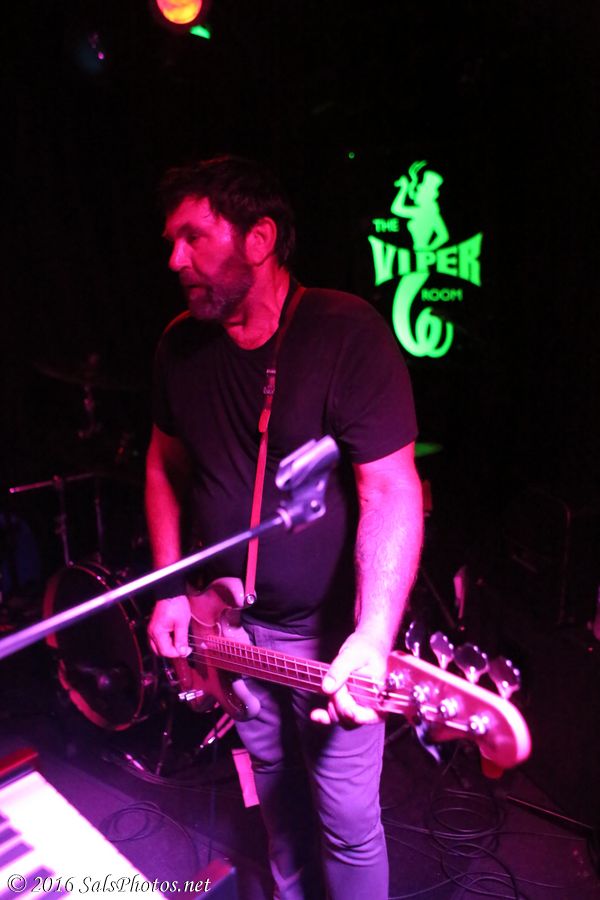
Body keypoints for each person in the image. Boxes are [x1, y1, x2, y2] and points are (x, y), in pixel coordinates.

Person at [146, 156, 423, 900]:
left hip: (325, 644)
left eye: (194, 238)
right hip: (230, 630)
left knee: (346, 823)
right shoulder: (178, 345)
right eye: (172, 242)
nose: (175, 260)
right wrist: (171, 589)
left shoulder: (344, 332)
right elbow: (162, 465)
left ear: (259, 238)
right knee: (272, 788)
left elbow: (392, 489)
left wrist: (374, 634)